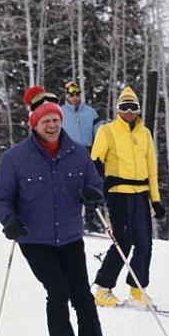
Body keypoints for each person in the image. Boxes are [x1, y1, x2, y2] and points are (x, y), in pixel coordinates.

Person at [0, 86, 111, 336]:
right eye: (46, 121)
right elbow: (2, 197)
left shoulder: (78, 155)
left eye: (56, 119)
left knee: (82, 294)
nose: (53, 124)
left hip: (70, 236)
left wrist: (93, 196)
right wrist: (10, 221)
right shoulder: (16, 158)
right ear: (35, 124)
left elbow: (94, 184)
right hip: (35, 239)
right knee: (58, 291)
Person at [90, 86, 166, 308]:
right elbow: (94, 162)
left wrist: (156, 200)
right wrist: (95, 188)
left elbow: (151, 169)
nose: (129, 111)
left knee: (144, 243)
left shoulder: (145, 134)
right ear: (118, 109)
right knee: (123, 241)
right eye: (124, 107)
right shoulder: (108, 131)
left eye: (134, 107)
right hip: (118, 194)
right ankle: (103, 288)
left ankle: (137, 289)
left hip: (140, 194)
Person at [60, 80, 104, 232]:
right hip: (68, 153)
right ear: (67, 96)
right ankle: (70, 221)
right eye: (72, 94)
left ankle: (90, 220)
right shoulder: (61, 112)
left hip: (88, 152)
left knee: (90, 186)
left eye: (77, 94)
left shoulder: (90, 112)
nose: (75, 97)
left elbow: (100, 132)